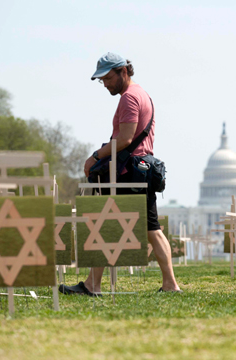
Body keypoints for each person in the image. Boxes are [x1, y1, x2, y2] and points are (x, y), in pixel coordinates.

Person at [60, 52, 181, 295]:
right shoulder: (143, 94)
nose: (104, 84)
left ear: (123, 71)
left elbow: (125, 139)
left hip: (129, 173)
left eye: (107, 78)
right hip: (139, 172)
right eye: (101, 80)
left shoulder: (129, 98)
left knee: (116, 226)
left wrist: (96, 156)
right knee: (146, 229)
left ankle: (96, 285)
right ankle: (167, 285)